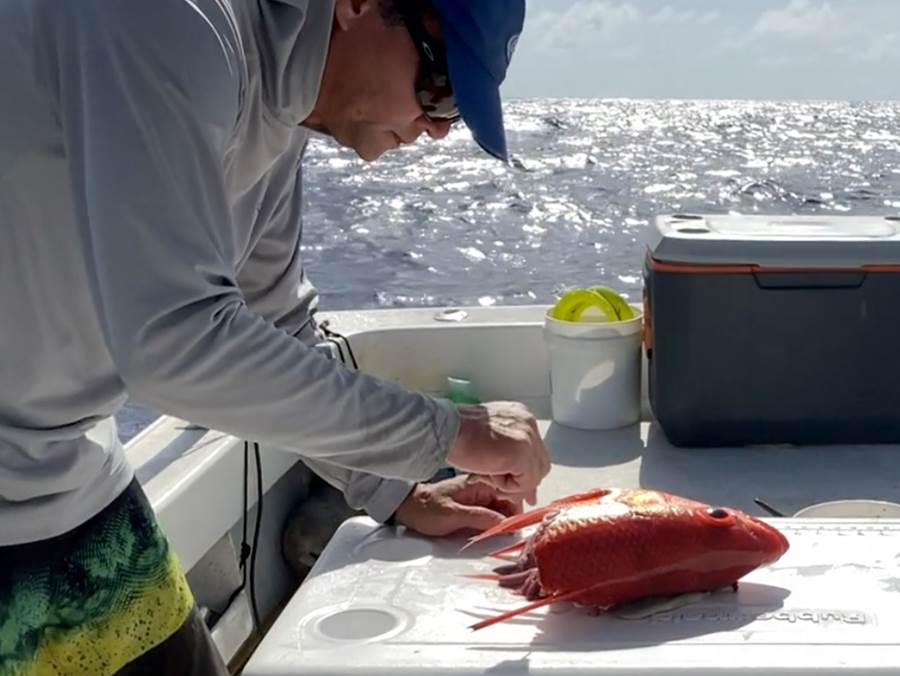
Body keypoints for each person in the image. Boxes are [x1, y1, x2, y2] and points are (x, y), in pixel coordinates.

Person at [0, 0, 550, 673]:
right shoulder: (167, 19)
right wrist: (447, 432)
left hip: (68, 472)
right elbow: (174, 344)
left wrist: (399, 488)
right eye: (438, 88)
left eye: (456, 112)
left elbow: (275, 321)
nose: (435, 130)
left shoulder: (277, 109)